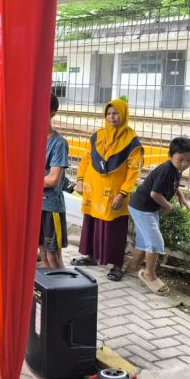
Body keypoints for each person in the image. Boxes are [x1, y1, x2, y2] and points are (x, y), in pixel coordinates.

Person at [73, 99, 143, 281]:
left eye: (116, 113)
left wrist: (123, 193)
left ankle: (117, 266)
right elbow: (86, 159)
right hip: (93, 190)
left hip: (114, 193)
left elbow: (134, 170)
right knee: (92, 224)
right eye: (109, 113)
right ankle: (91, 257)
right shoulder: (98, 135)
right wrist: (80, 180)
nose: (112, 117)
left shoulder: (131, 140)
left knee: (115, 229)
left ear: (124, 115)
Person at [125, 137, 190, 294]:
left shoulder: (176, 169)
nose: (184, 163)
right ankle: (148, 274)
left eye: (189, 160)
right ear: (170, 155)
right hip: (142, 208)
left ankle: (131, 268)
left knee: (144, 241)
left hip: (146, 208)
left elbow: (174, 186)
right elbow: (155, 193)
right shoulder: (166, 171)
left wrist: (181, 197)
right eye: (181, 159)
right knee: (155, 242)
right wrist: (168, 206)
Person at [41, 93, 69, 269]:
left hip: (51, 208)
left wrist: (26, 182)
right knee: (43, 255)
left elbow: (52, 179)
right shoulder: (32, 139)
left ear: (53, 112)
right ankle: (46, 295)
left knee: (53, 257)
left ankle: (64, 295)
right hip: (37, 206)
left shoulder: (58, 143)